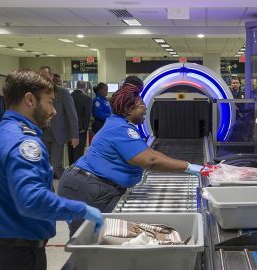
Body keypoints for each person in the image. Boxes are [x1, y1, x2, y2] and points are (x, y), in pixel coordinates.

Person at [0, 70, 103, 270]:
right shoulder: (25, 143)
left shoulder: (1, 133)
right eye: (50, 102)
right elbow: (32, 200)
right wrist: (80, 209)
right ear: (30, 100)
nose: (54, 111)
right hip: (17, 256)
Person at [57, 83, 204, 237]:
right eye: (141, 106)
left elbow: (149, 152)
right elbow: (150, 160)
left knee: (100, 238)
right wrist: (189, 167)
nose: (145, 109)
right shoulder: (120, 129)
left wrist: (190, 167)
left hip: (96, 186)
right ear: (127, 109)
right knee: (86, 241)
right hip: (84, 188)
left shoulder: (121, 124)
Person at [39, 66, 79, 179]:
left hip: (58, 134)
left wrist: (74, 135)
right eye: (41, 77)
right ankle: (48, 191)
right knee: (43, 166)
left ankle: (67, 188)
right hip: (42, 133)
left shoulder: (62, 92)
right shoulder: (36, 92)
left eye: (45, 77)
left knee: (57, 166)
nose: (43, 79)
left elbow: (72, 114)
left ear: (51, 76)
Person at [68, 80, 92, 164]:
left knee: (70, 151)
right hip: (80, 129)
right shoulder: (87, 99)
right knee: (79, 152)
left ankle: (70, 170)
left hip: (70, 129)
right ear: (85, 87)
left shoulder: (69, 96)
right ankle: (77, 171)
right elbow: (87, 114)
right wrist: (85, 128)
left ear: (76, 86)